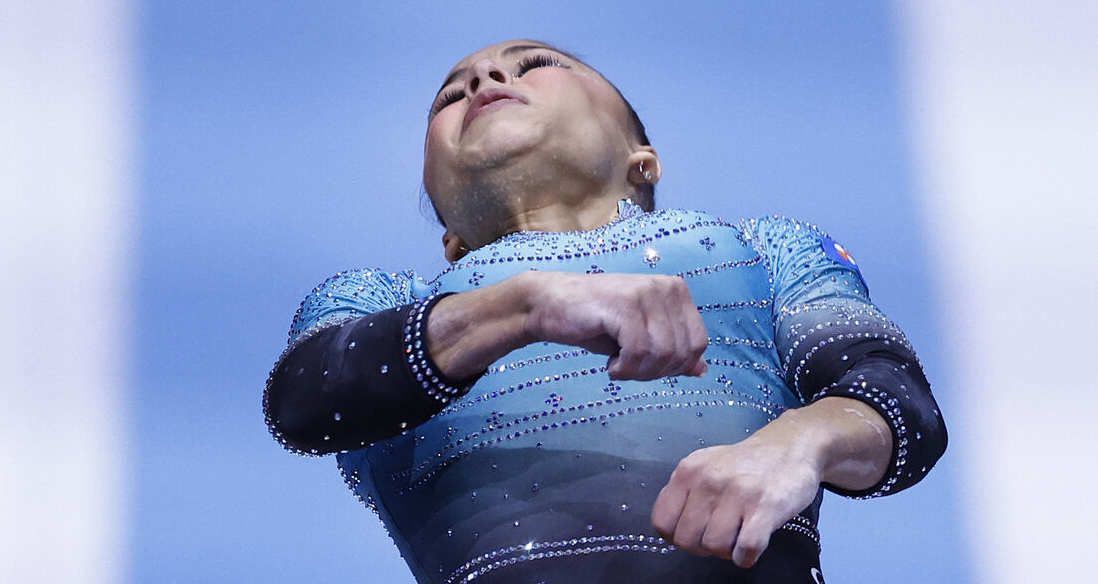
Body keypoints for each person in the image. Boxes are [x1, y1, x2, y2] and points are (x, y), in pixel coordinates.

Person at [263, 39, 947, 583]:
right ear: (449, 233)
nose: (485, 78)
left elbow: (897, 403)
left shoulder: (761, 250)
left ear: (641, 158)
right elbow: (303, 402)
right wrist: (526, 305)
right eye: (450, 93)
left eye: (536, 64)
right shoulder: (383, 306)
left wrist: (800, 441)